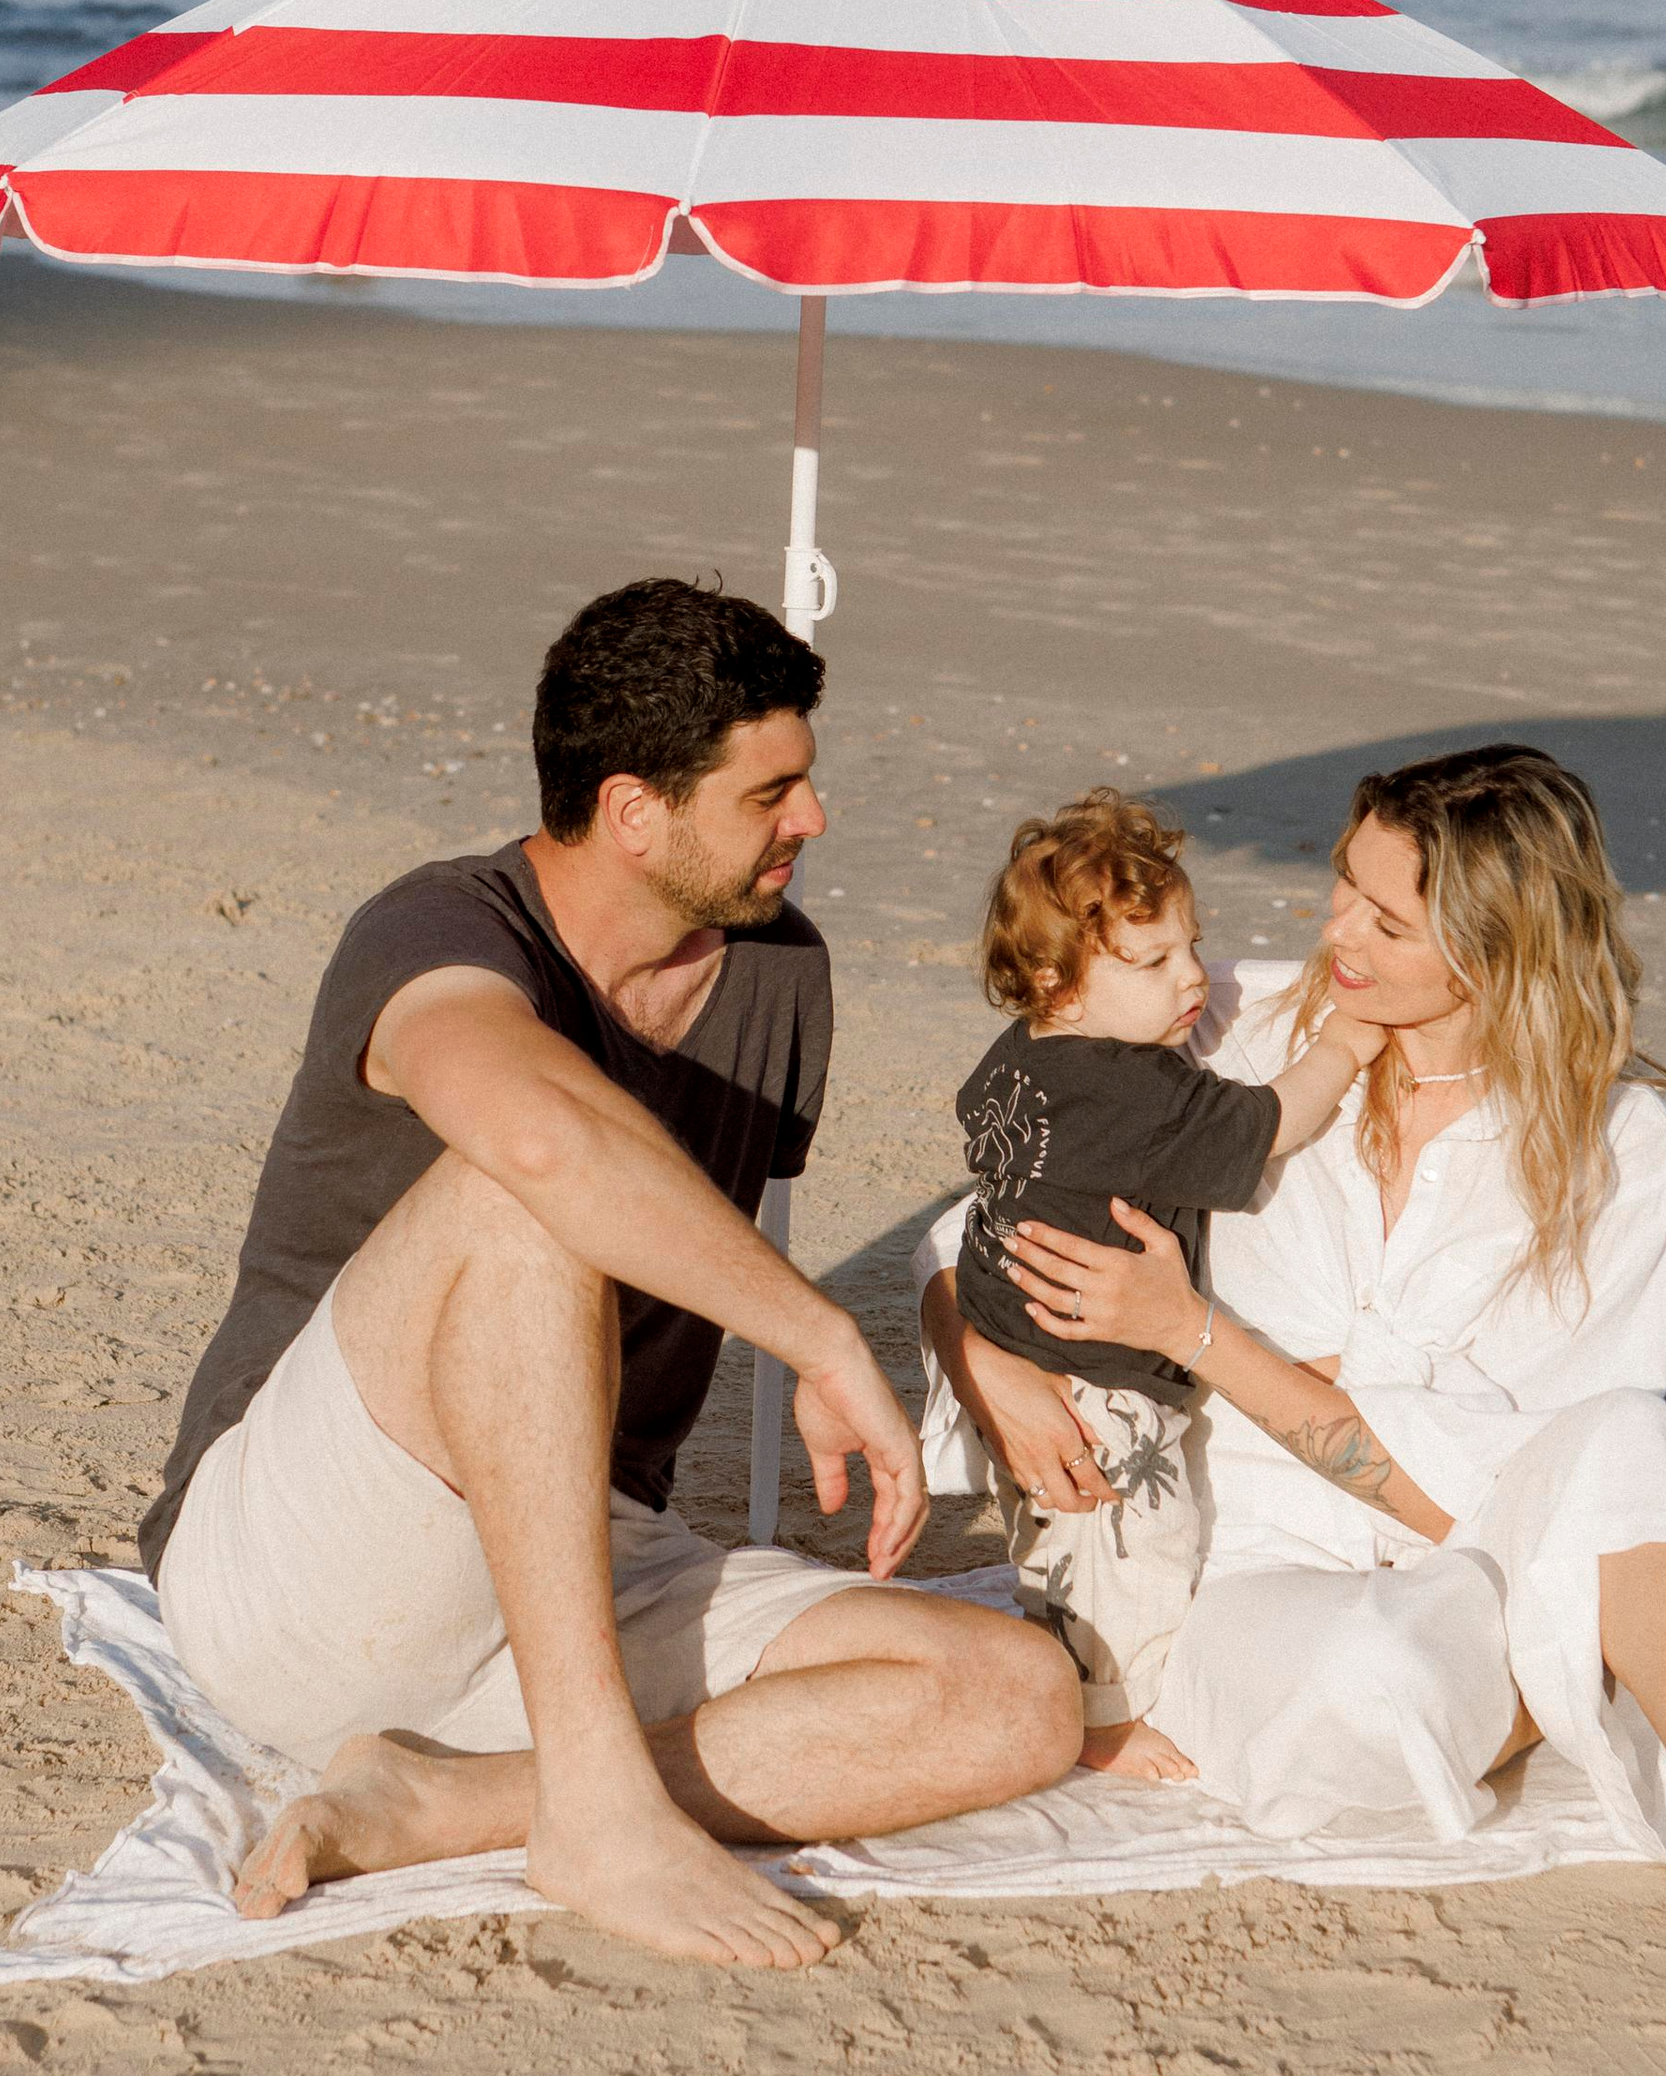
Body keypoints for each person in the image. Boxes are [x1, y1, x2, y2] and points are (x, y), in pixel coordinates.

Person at [920, 744, 1666, 2076]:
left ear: (1501, 953)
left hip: (1488, 1545)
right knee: (1372, 1687)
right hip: (1259, 1559)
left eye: (1387, 924)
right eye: (1344, 886)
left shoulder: (1619, 1147)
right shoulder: (1244, 1038)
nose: (1334, 934)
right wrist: (982, 1350)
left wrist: (1200, 1337)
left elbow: (1502, 1488)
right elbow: (985, 1218)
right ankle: (1606, 1656)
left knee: (1633, 1440)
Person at [148, 576, 1079, 1972]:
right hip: (296, 1563)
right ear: (635, 809)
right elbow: (541, 1139)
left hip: (572, 1564)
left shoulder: (778, 982)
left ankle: (461, 1799)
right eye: (773, 792)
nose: (813, 820)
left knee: (1017, 1699)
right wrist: (824, 1339)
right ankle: (597, 1808)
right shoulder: (436, 934)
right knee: (525, 1200)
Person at [955, 788, 1378, 1780]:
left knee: (1062, 1542)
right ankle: (1102, 1721)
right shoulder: (1136, 1088)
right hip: (1093, 1376)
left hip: (1008, 1343)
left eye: (1193, 944)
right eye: (1151, 962)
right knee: (1136, 1543)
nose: (1192, 978)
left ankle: (1072, 1670)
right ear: (1057, 981)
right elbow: (1265, 1127)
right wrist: (1344, 1047)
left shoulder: (1020, 1059)